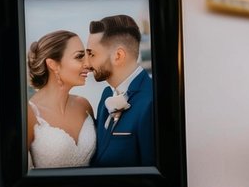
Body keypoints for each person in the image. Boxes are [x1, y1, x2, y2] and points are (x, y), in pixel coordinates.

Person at [86, 15, 155, 168]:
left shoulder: (152, 101)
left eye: (92, 54)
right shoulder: (106, 94)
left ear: (118, 56)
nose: (87, 62)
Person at [27, 30, 96, 169]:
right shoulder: (29, 113)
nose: (88, 64)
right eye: (79, 57)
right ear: (53, 65)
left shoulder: (84, 106)